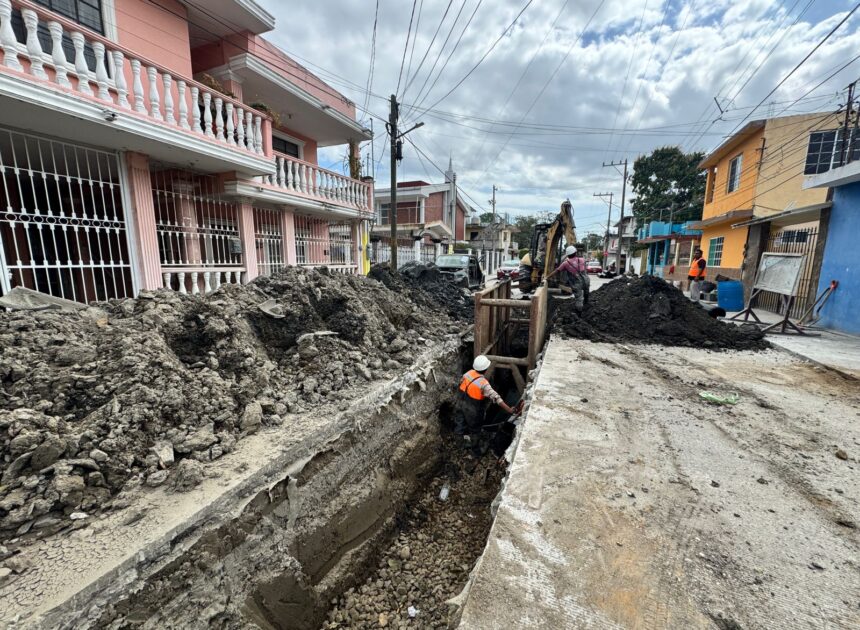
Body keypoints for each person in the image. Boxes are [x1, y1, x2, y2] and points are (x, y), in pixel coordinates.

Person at [454, 355, 521, 436]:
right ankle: (473, 442)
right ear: (486, 368)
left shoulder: (469, 373)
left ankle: (458, 437)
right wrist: (509, 409)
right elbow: (496, 398)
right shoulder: (483, 384)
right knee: (475, 429)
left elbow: (461, 382)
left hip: (460, 402)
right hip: (472, 410)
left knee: (460, 422)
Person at [546, 245, 589, 312]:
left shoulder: (565, 264)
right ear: (575, 252)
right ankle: (587, 305)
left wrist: (547, 277)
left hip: (576, 283)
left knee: (579, 299)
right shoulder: (582, 260)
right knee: (586, 293)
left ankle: (579, 313)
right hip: (586, 280)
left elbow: (557, 271)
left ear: (567, 255)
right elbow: (584, 269)